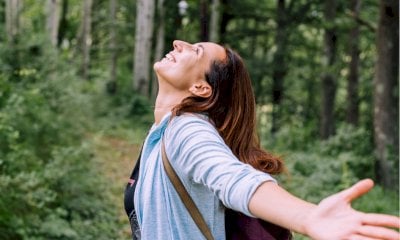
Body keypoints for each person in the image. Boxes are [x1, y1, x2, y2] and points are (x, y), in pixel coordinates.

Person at [124, 40, 400, 240]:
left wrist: (308, 217)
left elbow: (234, 178)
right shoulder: (160, 131)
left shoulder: (187, 130)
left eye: (196, 50)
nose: (178, 43)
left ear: (201, 88)